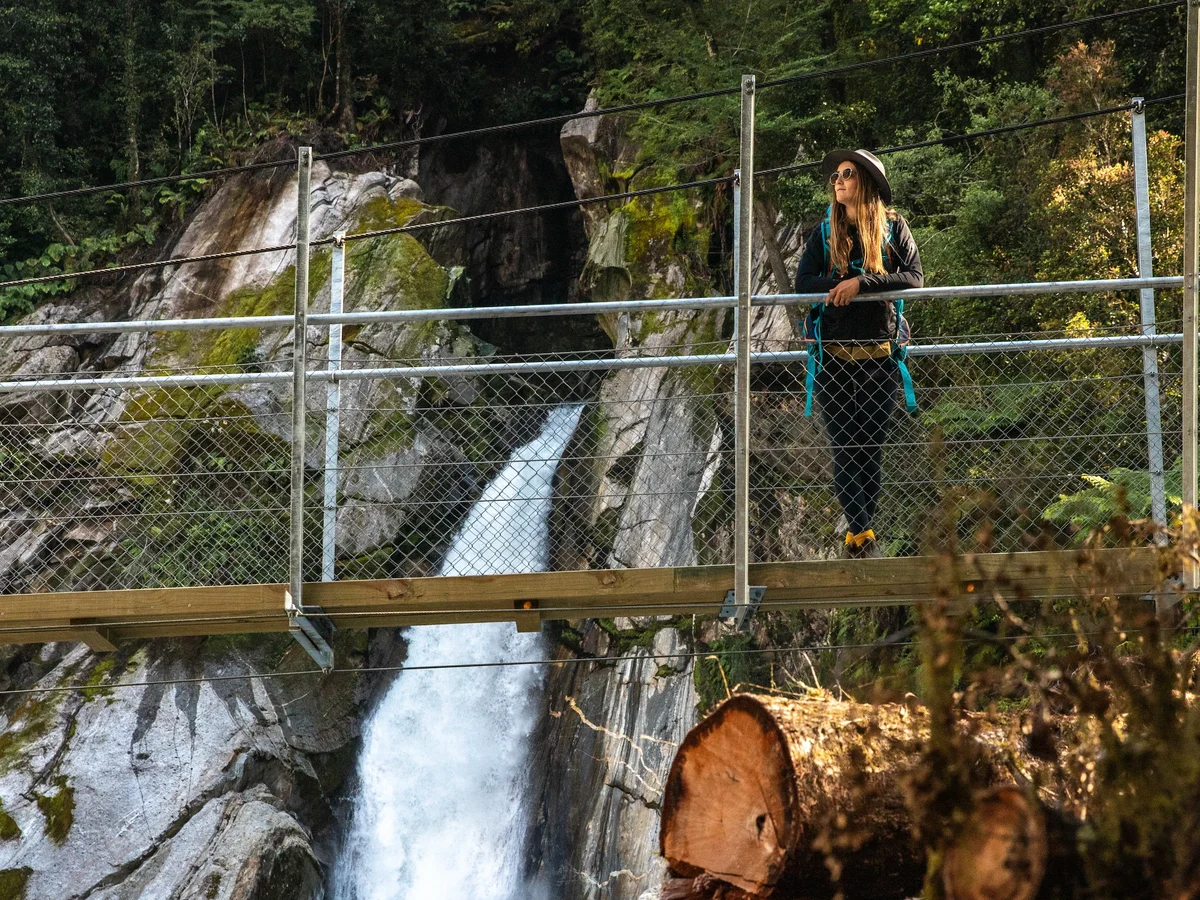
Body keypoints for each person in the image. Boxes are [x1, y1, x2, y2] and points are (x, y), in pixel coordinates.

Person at [794, 149, 923, 559]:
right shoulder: (825, 231)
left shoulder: (893, 227)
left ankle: (860, 531)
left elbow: (915, 278)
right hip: (833, 357)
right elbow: (802, 283)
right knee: (845, 446)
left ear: (865, 182)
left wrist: (861, 284)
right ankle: (861, 531)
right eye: (835, 174)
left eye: (847, 174)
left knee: (870, 447)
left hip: (879, 357)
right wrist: (836, 286)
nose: (838, 180)